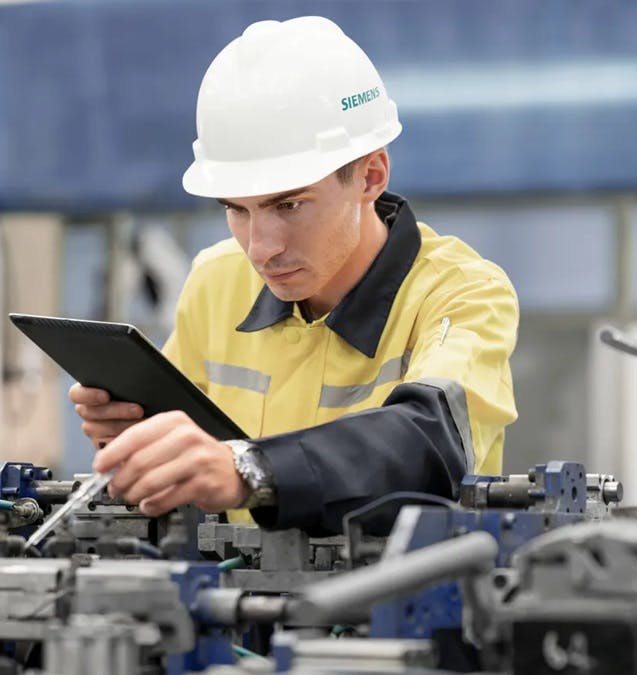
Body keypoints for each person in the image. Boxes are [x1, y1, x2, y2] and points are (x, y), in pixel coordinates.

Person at [69, 16, 518, 536]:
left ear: (370, 175)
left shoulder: (462, 295)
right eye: (237, 209)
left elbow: (427, 443)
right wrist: (135, 439)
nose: (261, 248)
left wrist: (252, 470)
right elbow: (189, 465)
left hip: (402, 603)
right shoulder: (216, 282)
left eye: (289, 205)